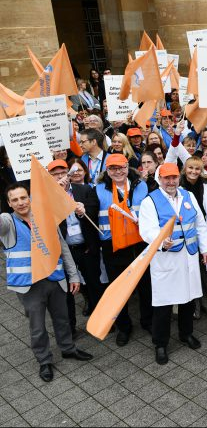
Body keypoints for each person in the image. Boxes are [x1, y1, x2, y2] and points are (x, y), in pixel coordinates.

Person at [0, 183, 93, 382]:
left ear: (30, 198)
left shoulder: (44, 217)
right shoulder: (7, 222)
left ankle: (68, 349)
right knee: (37, 326)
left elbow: (63, 248)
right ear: (9, 203)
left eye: (23, 197)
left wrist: (73, 275)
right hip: (29, 285)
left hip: (54, 279)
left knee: (62, 319)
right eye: (14, 200)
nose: (20, 202)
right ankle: (44, 361)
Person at [139, 163, 207, 364]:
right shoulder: (150, 201)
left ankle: (185, 333)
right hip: (167, 259)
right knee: (163, 304)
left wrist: (205, 249)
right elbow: (147, 230)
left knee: (188, 299)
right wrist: (161, 240)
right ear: (160, 179)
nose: (171, 182)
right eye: (166, 178)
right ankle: (160, 343)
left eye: (174, 178)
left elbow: (200, 224)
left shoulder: (187, 196)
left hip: (188, 256)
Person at [95, 154, 151, 346]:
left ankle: (148, 321)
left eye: (121, 167)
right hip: (113, 246)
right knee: (118, 289)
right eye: (113, 169)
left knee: (145, 286)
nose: (118, 172)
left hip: (139, 244)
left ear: (128, 167)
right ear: (107, 171)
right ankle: (123, 327)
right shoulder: (98, 190)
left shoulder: (141, 185)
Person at [48, 160, 103, 330]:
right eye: (55, 174)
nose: (59, 176)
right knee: (67, 291)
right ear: (50, 177)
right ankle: (70, 327)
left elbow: (94, 212)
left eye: (62, 172)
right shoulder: (46, 197)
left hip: (85, 248)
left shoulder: (84, 189)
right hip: (64, 251)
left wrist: (84, 210)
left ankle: (101, 319)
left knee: (94, 284)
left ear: (68, 173)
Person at [179, 156, 207, 316]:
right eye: (190, 168)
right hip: (187, 231)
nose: (193, 171)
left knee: (204, 267)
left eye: (197, 168)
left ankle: (206, 299)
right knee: (190, 269)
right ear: (184, 169)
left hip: (204, 230)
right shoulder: (179, 186)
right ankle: (193, 304)